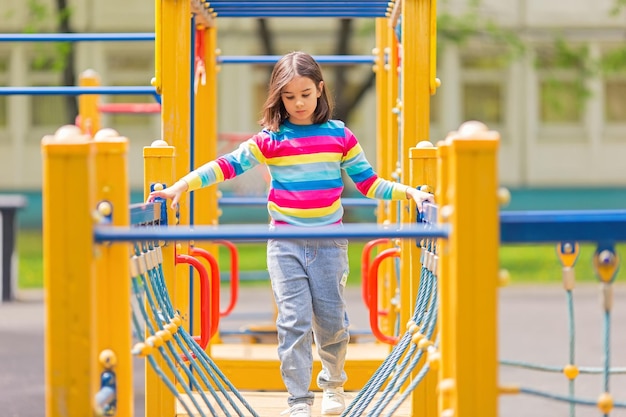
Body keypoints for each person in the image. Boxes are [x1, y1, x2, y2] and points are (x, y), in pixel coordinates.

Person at [147, 51, 434, 417]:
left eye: (305, 94)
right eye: (289, 96)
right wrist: (179, 188)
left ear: (320, 90)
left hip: (329, 242)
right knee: (293, 321)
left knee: (331, 322)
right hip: (284, 243)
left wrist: (408, 191)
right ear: (278, 97)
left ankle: (333, 385)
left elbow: (368, 183)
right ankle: (299, 400)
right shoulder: (273, 139)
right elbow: (226, 166)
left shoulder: (339, 135)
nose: (298, 103)